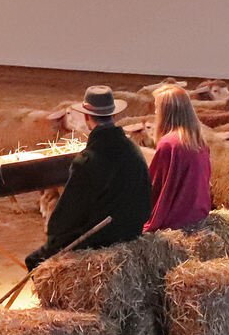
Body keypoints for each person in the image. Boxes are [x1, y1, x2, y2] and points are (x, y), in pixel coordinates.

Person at [26, 86, 152, 270]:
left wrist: (53, 239)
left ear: (87, 118)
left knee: (34, 260)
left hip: (102, 237)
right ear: (113, 115)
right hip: (132, 231)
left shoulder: (88, 160)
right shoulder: (134, 151)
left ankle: (51, 299)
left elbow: (67, 216)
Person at [144, 85, 212, 232]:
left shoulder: (169, 143)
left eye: (157, 109)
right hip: (197, 215)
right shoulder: (199, 141)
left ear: (166, 113)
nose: (155, 113)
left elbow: (155, 185)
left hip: (176, 219)